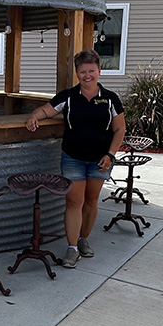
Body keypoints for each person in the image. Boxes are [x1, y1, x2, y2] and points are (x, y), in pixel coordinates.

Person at [26, 49, 126, 268]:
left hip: (101, 160)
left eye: (91, 71)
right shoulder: (68, 96)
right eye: (82, 72)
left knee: (91, 201)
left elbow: (120, 129)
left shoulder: (110, 99)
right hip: (73, 158)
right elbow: (46, 110)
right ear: (77, 73)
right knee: (73, 202)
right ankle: (72, 249)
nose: (87, 76)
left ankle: (83, 239)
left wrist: (111, 155)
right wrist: (34, 116)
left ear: (99, 71)